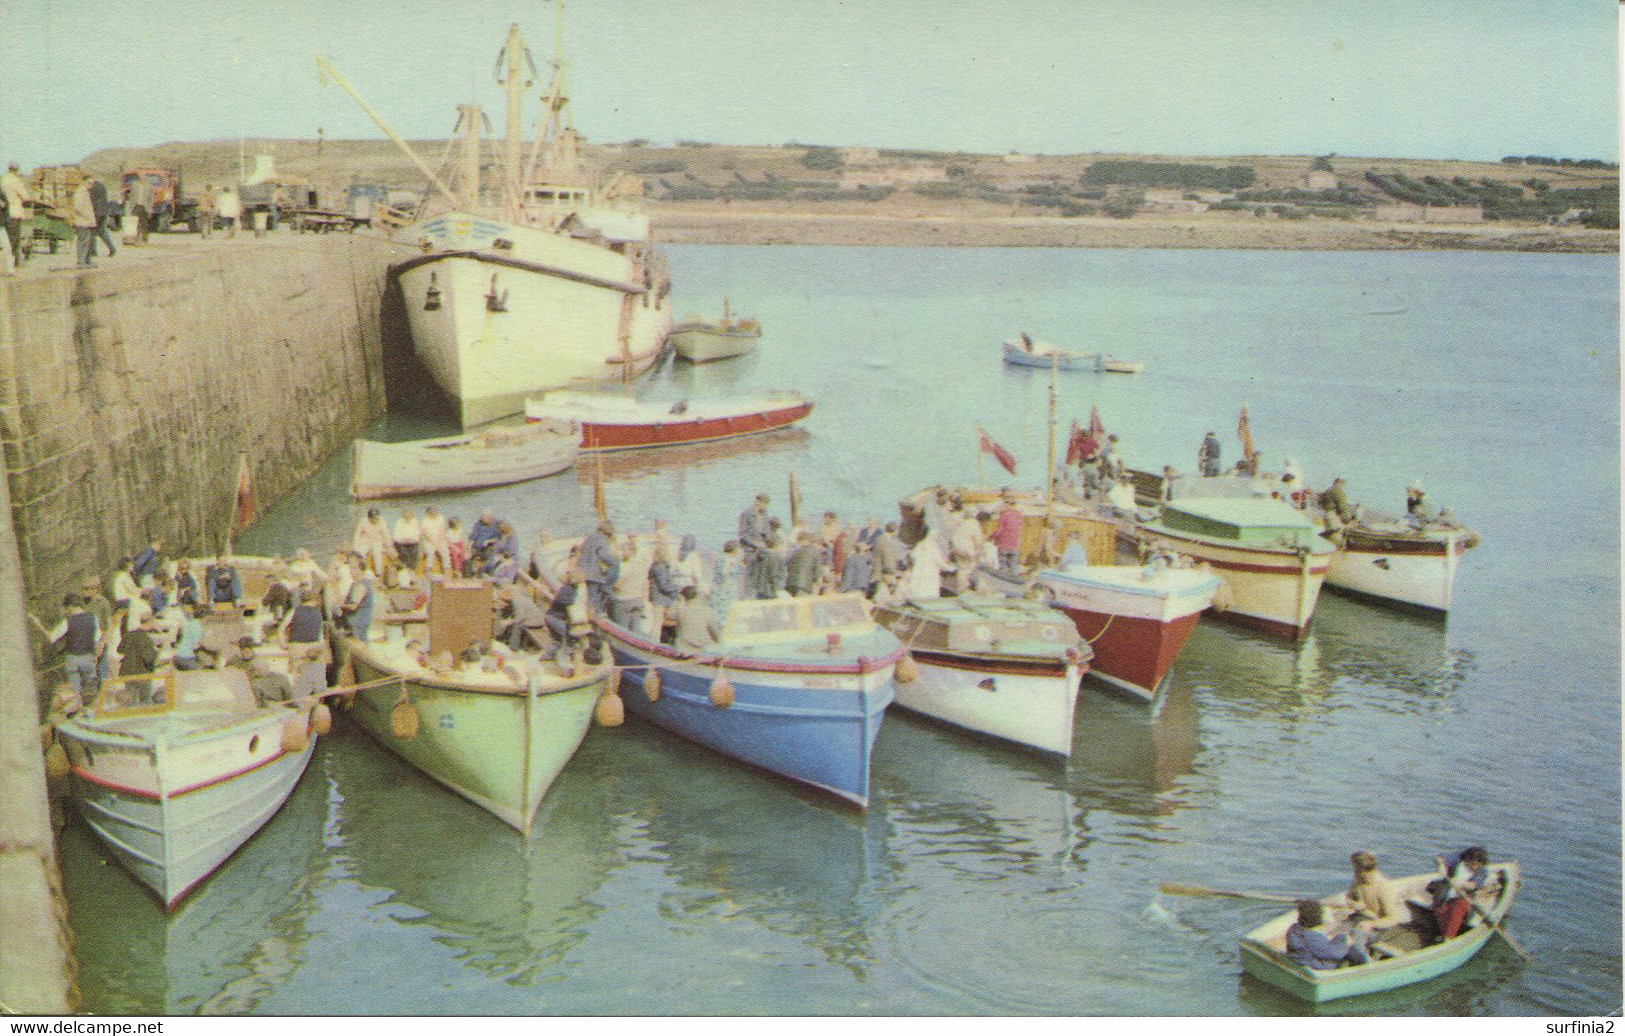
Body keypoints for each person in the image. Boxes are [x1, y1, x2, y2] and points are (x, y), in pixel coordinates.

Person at [1431, 846, 1497, 941]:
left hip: (1464, 899)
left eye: (1478, 865)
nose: (1475, 867)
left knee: (1459, 906)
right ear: (1467, 859)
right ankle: (1442, 930)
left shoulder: (1483, 871)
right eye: (1473, 864)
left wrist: (1461, 884)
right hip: (1446, 895)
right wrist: (1441, 866)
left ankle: (1448, 938)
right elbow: (1439, 858)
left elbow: (1474, 885)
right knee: (1439, 907)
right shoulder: (1458, 858)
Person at [1285, 900, 1370, 970]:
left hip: (1301, 960)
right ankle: (1366, 965)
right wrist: (1345, 941)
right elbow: (1335, 953)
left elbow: (1319, 947)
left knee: (1341, 939)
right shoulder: (1313, 937)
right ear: (1318, 918)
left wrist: (1337, 938)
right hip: (1317, 967)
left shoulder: (1294, 929)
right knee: (1353, 946)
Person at [1344, 851, 1404, 940]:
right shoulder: (1358, 881)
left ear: (1363, 871)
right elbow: (1348, 897)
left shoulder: (1384, 887)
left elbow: (1393, 919)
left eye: (1356, 870)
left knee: (1355, 937)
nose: (1354, 873)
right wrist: (1354, 904)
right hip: (1360, 918)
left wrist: (1371, 924)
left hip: (1378, 927)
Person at [47, 595, 100, 695]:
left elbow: (52, 638)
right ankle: (89, 708)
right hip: (88, 657)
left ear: (70, 606)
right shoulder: (93, 618)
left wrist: (40, 626)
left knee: (75, 692)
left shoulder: (67, 621)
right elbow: (97, 639)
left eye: (66, 608)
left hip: (72, 658)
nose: (67, 611)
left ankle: (78, 706)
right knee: (91, 690)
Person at [579, 520, 620, 616]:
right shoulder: (602, 539)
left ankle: (591, 614)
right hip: (594, 572)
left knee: (590, 595)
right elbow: (603, 555)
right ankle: (595, 616)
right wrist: (614, 561)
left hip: (584, 570)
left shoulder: (590, 537)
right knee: (595, 596)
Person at [647, 545, 682, 642]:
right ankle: (653, 643)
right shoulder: (660, 566)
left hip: (659, 597)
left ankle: (656, 640)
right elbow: (663, 586)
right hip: (659, 598)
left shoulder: (659, 565)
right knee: (657, 623)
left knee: (659, 622)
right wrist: (677, 588)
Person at [497, 586, 548, 651]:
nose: (504, 601)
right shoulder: (517, 597)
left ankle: (513, 647)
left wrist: (508, 622)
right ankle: (506, 640)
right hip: (531, 618)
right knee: (513, 623)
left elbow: (520, 618)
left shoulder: (518, 601)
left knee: (517, 625)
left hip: (536, 621)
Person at [1, 162, 31, 268]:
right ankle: (13, 263)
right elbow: (26, 197)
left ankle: (8, 262)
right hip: (14, 213)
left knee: (6, 239)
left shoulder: (3, 180)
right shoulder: (16, 181)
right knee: (14, 240)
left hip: (4, 213)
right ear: (16, 170)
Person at [671, 585, 718, 651]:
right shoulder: (706, 610)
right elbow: (714, 630)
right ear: (697, 596)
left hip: (684, 645)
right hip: (703, 645)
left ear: (683, 596)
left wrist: (678, 601)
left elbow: (669, 615)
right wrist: (719, 642)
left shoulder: (680, 608)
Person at [340, 564, 376, 643]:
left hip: (358, 621)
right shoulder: (356, 584)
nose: (351, 571)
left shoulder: (361, 585)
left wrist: (341, 605)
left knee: (360, 646)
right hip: (356, 620)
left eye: (354, 568)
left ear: (361, 571)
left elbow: (353, 606)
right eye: (351, 568)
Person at [353, 507, 395, 576]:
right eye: (374, 518)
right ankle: (364, 571)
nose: (376, 520)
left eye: (377, 518)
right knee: (361, 553)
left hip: (377, 542)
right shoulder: (363, 521)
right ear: (370, 518)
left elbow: (386, 535)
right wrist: (355, 547)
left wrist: (389, 547)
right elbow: (357, 535)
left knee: (377, 554)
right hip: (365, 542)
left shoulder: (382, 522)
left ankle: (379, 574)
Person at [993, 491, 1024, 573]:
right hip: (1015, 544)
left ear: (1007, 504)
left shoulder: (1005, 515)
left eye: (1005, 504)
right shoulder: (1019, 515)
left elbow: (999, 530)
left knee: (1003, 566)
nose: (1004, 506)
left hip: (1004, 544)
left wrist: (991, 537)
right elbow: (1019, 529)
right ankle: (1014, 581)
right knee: (1014, 565)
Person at [748, 534, 786, 600]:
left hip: (759, 591)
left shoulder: (758, 555)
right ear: (777, 545)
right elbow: (774, 576)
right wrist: (779, 592)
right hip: (770, 592)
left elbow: (751, 573)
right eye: (782, 545)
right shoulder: (775, 557)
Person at [785, 531, 823, 596]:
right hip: (804, 585)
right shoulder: (814, 551)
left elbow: (789, 567)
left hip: (790, 583)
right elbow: (818, 571)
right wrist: (819, 584)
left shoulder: (796, 552)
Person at [72, 178, 98, 269]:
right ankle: (81, 262)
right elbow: (78, 207)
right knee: (83, 241)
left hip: (88, 222)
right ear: (83, 182)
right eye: (89, 183)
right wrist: (88, 216)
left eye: (92, 183)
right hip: (83, 221)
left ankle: (87, 261)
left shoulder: (85, 192)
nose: (91, 185)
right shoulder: (80, 192)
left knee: (88, 242)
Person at [173, 603, 208, 670]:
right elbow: (195, 647)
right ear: (205, 616)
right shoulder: (198, 628)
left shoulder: (190, 622)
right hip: (186, 661)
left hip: (177, 658)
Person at [87, 177, 116, 259]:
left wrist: (94, 213)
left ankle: (93, 251)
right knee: (102, 232)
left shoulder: (93, 188)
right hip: (104, 212)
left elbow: (94, 201)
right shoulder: (102, 186)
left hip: (97, 212)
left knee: (92, 232)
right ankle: (112, 248)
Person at [738, 494, 772, 560]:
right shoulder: (746, 514)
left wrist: (768, 542)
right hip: (750, 548)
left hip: (763, 546)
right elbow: (742, 534)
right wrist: (755, 544)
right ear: (757, 502)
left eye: (766, 504)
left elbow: (767, 530)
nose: (764, 506)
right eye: (763, 503)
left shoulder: (765, 514)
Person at [419, 506, 450, 575]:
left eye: (435, 511)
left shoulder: (441, 518)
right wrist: (433, 543)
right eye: (431, 512)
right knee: (430, 553)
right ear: (428, 513)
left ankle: (447, 570)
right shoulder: (424, 521)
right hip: (429, 540)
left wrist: (439, 542)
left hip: (440, 539)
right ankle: (429, 569)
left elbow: (443, 530)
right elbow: (425, 533)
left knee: (445, 552)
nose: (433, 513)